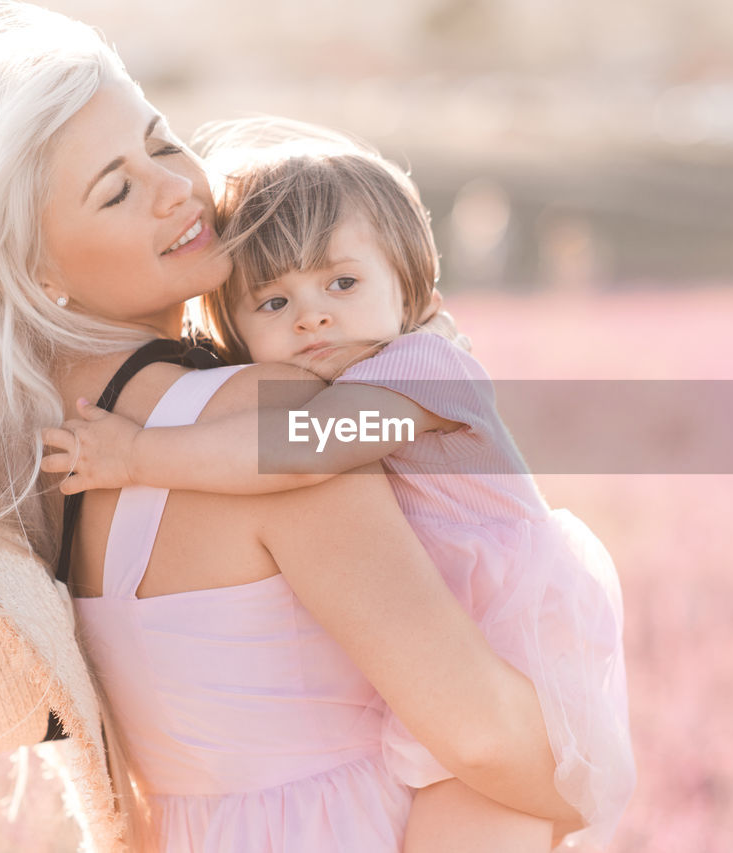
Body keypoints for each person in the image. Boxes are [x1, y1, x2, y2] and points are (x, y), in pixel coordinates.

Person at [0, 5, 581, 852]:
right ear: (36, 267)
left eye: (161, 140)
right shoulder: (267, 413)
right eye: (118, 188)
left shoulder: (51, 474)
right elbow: (481, 734)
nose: (175, 186)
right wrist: (590, 774)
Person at [42, 121, 636, 850]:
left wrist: (137, 456)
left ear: (411, 286)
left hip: (515, 646)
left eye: (342, 283)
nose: (313, 314)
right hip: (450, 658)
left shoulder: (424, 368)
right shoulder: (310, 388)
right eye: (274, 303)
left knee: (480, 812)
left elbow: (305, 450)